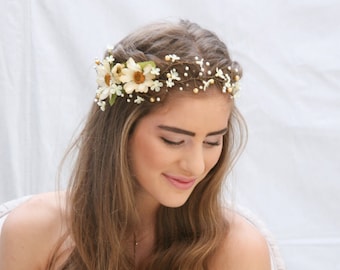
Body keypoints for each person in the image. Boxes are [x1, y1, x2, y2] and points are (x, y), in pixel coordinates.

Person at [0, 20, 275, 269]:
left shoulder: (238, 249)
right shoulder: (33, 230)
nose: (196, 165)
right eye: (174, 140)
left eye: (213, 141)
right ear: (122, 130)